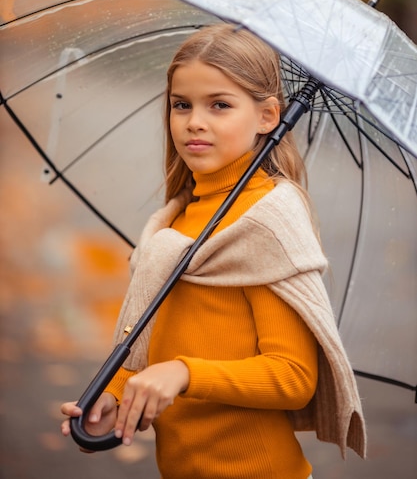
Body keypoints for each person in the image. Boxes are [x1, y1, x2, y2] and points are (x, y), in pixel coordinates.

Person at [61, 24, 366, 479]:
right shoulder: (180, 219)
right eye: (181, 104)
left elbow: (293, 378)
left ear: (267, 117)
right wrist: (118, 394)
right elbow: (177, 334)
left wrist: (183, 374)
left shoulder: (265, 221)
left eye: (219, 105)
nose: (194, 121)